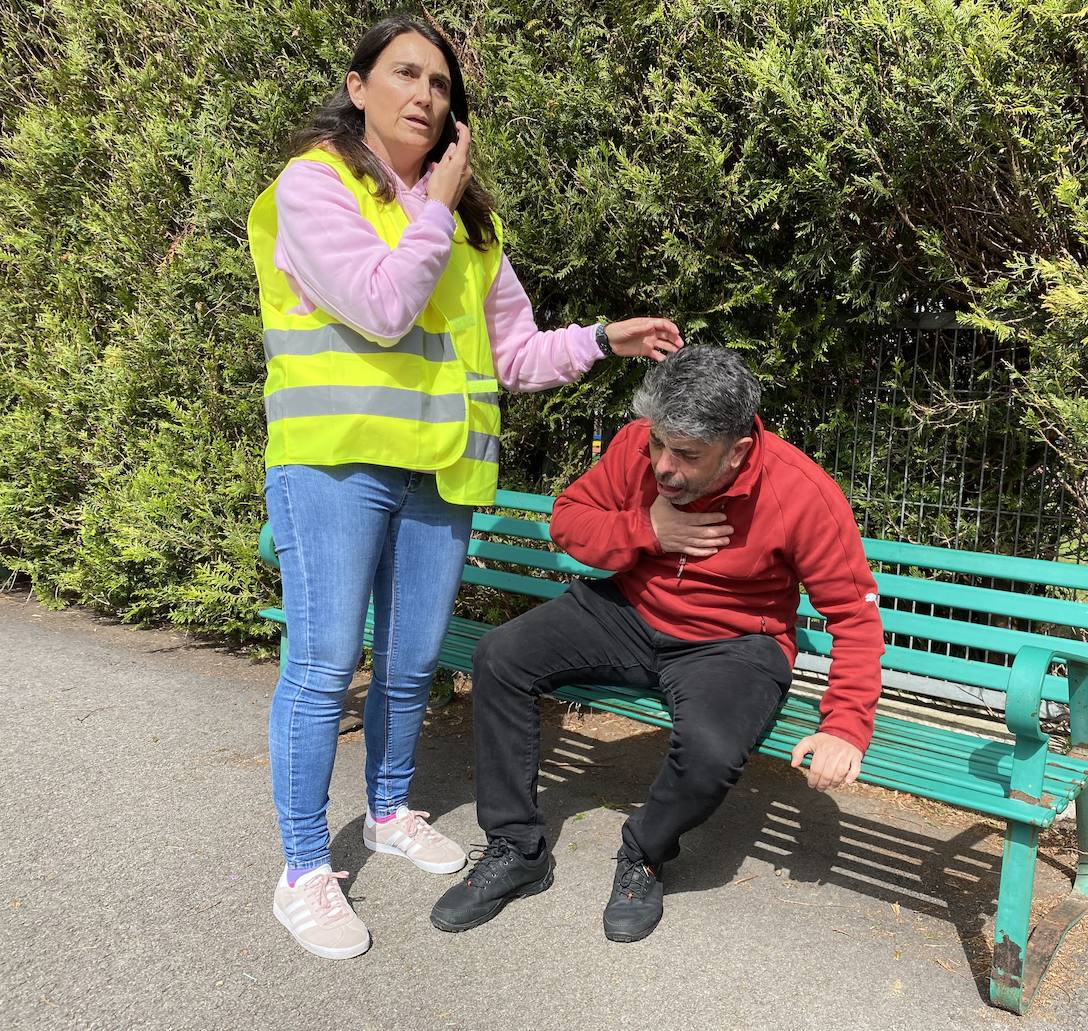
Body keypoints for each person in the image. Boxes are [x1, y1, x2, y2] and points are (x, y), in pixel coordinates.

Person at [245, 13, 682, 961]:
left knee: (408, 664)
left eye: (440, 86)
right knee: (323, 669)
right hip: (333, 461)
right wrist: (434, 207)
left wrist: (603, 339)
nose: (425, 96)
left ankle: (391, 810)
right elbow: (382, 303)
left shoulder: (471, 222)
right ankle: (302, 869)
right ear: (358, 86)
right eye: (405, 75)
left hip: (440, 473)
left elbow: (513, 349)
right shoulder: (315, 185)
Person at [430, 345, 886, 943]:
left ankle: (644, 854)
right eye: (658, 445)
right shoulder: (637, 445)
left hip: (733, 643)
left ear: (738, 450)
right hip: (627, 610)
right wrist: (646, 529)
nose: (664, 466)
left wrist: (844, 725)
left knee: (712, 752)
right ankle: (516, 849)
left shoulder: (801, 493)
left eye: (688, 455)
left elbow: (853, 613)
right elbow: (568, 520)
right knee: (500, 657)